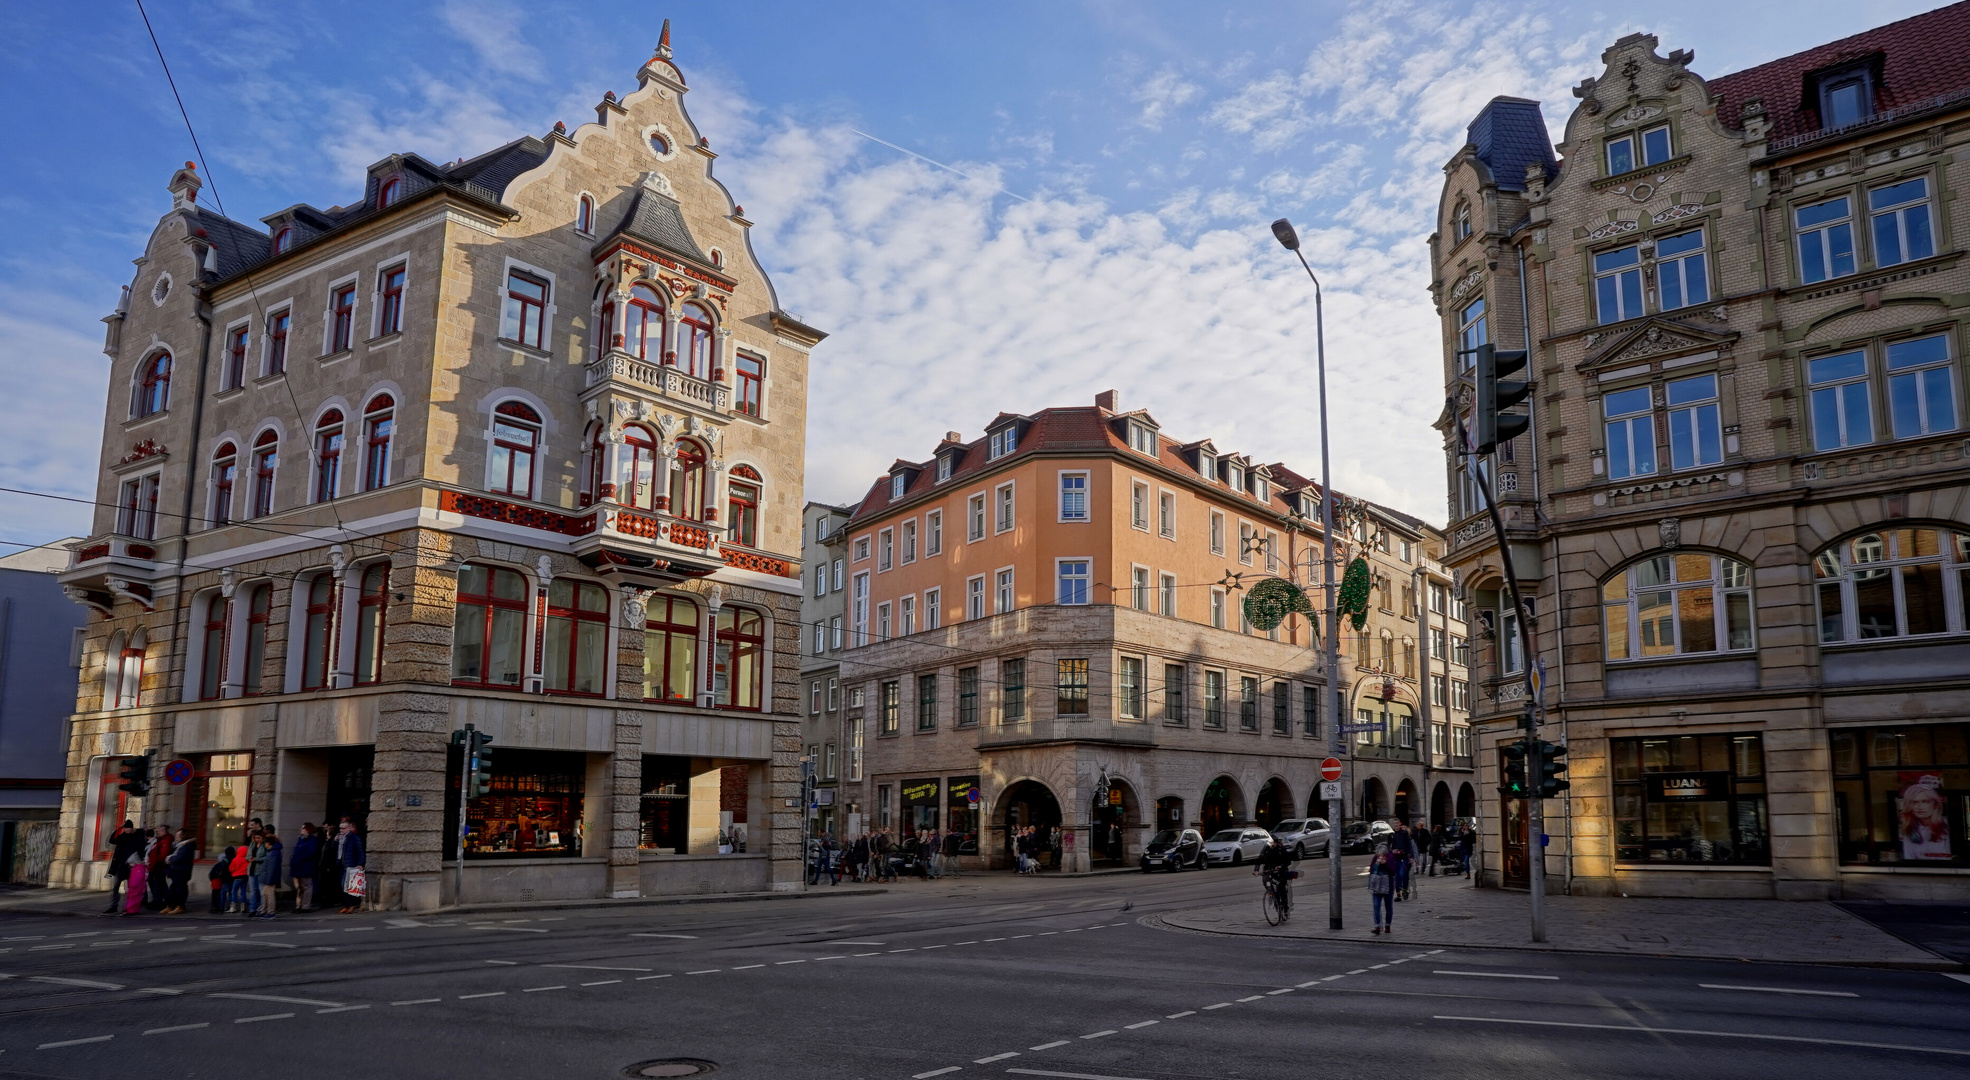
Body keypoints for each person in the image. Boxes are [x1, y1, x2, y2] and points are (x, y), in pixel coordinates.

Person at [102, 821, 142, 914]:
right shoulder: (122, 836)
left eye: (127, 828)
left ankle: (128, 907)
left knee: (130, 888)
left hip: (130, 866)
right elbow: (111, 841)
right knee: (115, 887)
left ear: (131, 828)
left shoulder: (137, 837)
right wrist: (118, 829)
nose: (126, 830)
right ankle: (113, 906)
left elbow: (140, 850)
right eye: (125, 828)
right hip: (119, 866)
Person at [1255, 836, 1294, 916]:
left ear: (1276, 843)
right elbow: (1260, 859)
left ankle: (1285, 907)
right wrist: (1256, 870)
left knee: (1281, 887)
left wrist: (1281, 866)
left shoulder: (1281, 849)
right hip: (1270, 870)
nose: (1271, 845)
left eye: (1272, 843)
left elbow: (1288, 861)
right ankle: (1272, 894)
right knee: (1266, 880)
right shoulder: (1267, 849)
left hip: (1281, 870)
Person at [334, 820, 366, 914]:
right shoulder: (340, 838)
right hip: (341, 864)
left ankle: (351, 905)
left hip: (350, 864)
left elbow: (360, 851)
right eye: (340, 828)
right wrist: (335, 841)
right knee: (342, 885)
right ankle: (347, 905)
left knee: (347, 886)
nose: (341, 830)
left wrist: (360, 863)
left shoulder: (354, 838)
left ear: (349, 828)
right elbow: (334, 850)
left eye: (343, 828)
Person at [290, 823, 320, 912]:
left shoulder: (312, 840)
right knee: (299, 887)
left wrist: (299, 858)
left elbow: (311, 852)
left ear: (308, 830)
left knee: (307, 886)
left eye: (303, 828)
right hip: (298, 866)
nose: (301, 829)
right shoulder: (300, 839)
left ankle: (305, 906)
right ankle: (299, 905)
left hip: (306, 866)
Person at [163, 829, 195, 914]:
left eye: (178, 835)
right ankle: (171, 905)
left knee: (180, 889)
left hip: (182, 870)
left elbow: (179, 858)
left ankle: (180, 906)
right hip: (177, 869)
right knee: (173, 888)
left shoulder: (186, 846)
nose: (176, 837)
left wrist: (171, 859)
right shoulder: (179, 845)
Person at [256, 827, 283, 918]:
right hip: (268, 877)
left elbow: (272, 868)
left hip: (269, 878)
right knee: (265, 894)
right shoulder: (272, 852)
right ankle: (265, 910)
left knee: (269, 895)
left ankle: (270, 911)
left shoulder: (273, 854)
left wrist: (269, 879)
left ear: (269, 844)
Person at [1368, 843, 1394, 934]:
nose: (1380, 856)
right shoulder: (1375, 858)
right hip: (1376, 886)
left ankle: (1387, 925)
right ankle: (1377, 926)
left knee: (1388, 907)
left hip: (1388, 887)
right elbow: (1371, 869)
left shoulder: (1390, 857)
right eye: (1379, 854)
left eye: (1382, 854)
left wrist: (1386, 863)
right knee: (1376, 906)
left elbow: (1393, 870)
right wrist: (1377, 864)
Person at [1388, 822, 1415, 901]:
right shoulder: (1391, 835)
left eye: (1397, 825)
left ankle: (1405, 889)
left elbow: (1409, 845)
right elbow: (1389, 847)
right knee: (1397, 877)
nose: (1396, 827)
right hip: (1395, 858)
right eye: (1395, 825)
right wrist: (1393, 851)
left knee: (1403, 874)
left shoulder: (1404, 834)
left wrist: (1410, 856)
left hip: (1404, 857)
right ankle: (1398, 894)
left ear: (1400, 825)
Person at [230, 838, 254, 914]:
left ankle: (233, 907)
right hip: (245, 877)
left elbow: (231, 868)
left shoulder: (235, 859)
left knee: (234, 891)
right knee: (243, 891)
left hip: (237, 877)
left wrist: (234, 870)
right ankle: (243, 906)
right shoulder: (246, 859)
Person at [209, 846, 234, 913]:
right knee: (231, 893)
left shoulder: (224, 861)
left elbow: (213, 873)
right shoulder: (234, 859)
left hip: (224, 879)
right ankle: (232, 907)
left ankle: (221, 906)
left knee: (222, 893)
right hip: (233, 878)